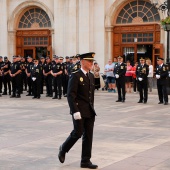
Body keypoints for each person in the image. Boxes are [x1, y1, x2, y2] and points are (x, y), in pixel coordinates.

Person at [58, 52, 98, 169]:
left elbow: (91, 96)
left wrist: (92, 109)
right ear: (82, 61)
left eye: (92, 61)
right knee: (78, 132)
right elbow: (71, 95)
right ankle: (63, 148)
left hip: (89, 111)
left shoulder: (90, 76)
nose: (91, 63)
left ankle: (85, 160)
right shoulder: (75, 75)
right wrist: (75, 111)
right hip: (79, 111)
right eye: (89, 61)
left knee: (88, 135)